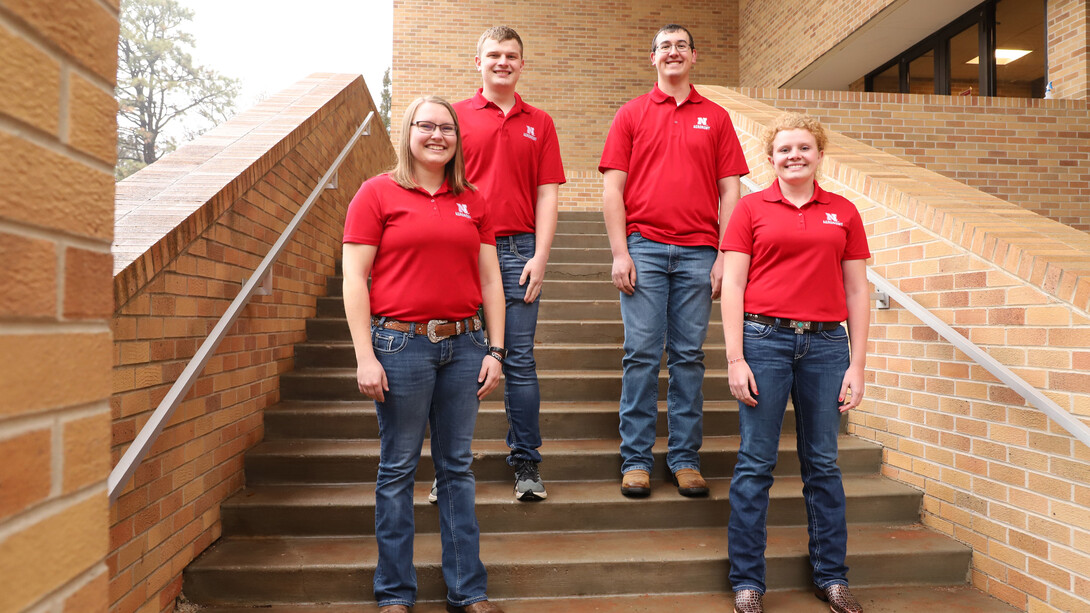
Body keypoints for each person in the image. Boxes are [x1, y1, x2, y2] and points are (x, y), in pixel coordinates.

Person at [342, 96, 507, 613]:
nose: (437, 135)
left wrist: (496, 350)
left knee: (456, 467)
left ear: (458, 139)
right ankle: (395, 593)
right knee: (398, 468)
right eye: (426, 126)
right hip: (399, 345)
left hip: (464, 346)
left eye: (447, 128)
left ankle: (468, 590)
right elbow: (354, 277)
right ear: (408, 132)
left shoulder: (473, 200)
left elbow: (490, 279)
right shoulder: (377, 193)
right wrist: (365, 356)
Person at [720, 113, 870, 613]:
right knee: (756, 464)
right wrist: (736, 356)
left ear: (820, 155)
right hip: (764, 342)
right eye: (784, 149)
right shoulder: (750, 208)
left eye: (804, 148)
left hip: (828, 347)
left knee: (823, 464)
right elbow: (734, 286)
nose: (794, 156)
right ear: (771, 159)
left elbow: (857, 290)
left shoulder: (843, 212)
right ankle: (747, 581)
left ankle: (832, 577)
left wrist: (858, 364)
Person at [599, 24, 749, 498]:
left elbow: (731, 191)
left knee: (688, 357)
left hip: (699, 251)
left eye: (681, 46)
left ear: (694, 56)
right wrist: (620, 251)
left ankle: (684, 458)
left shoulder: (717, 118)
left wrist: (726, 254)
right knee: (641, 355)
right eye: (665, 47)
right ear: (653, 58)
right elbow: (612, 189)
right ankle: (636, 460)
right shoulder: (631, 114)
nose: (673, 53)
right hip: (643, 246)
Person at [451, 25, 566, 502]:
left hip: (518, 251)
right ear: (477, 62)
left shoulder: (540, 121)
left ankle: (526, 463)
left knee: (518, 360)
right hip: (460, 249)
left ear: (522, 64)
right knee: (457, 361)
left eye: (511, 55)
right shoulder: (453, 117)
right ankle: (449, 468)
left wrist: (541, 255)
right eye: (494, 54)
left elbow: (547, 194)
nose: (502, 62)